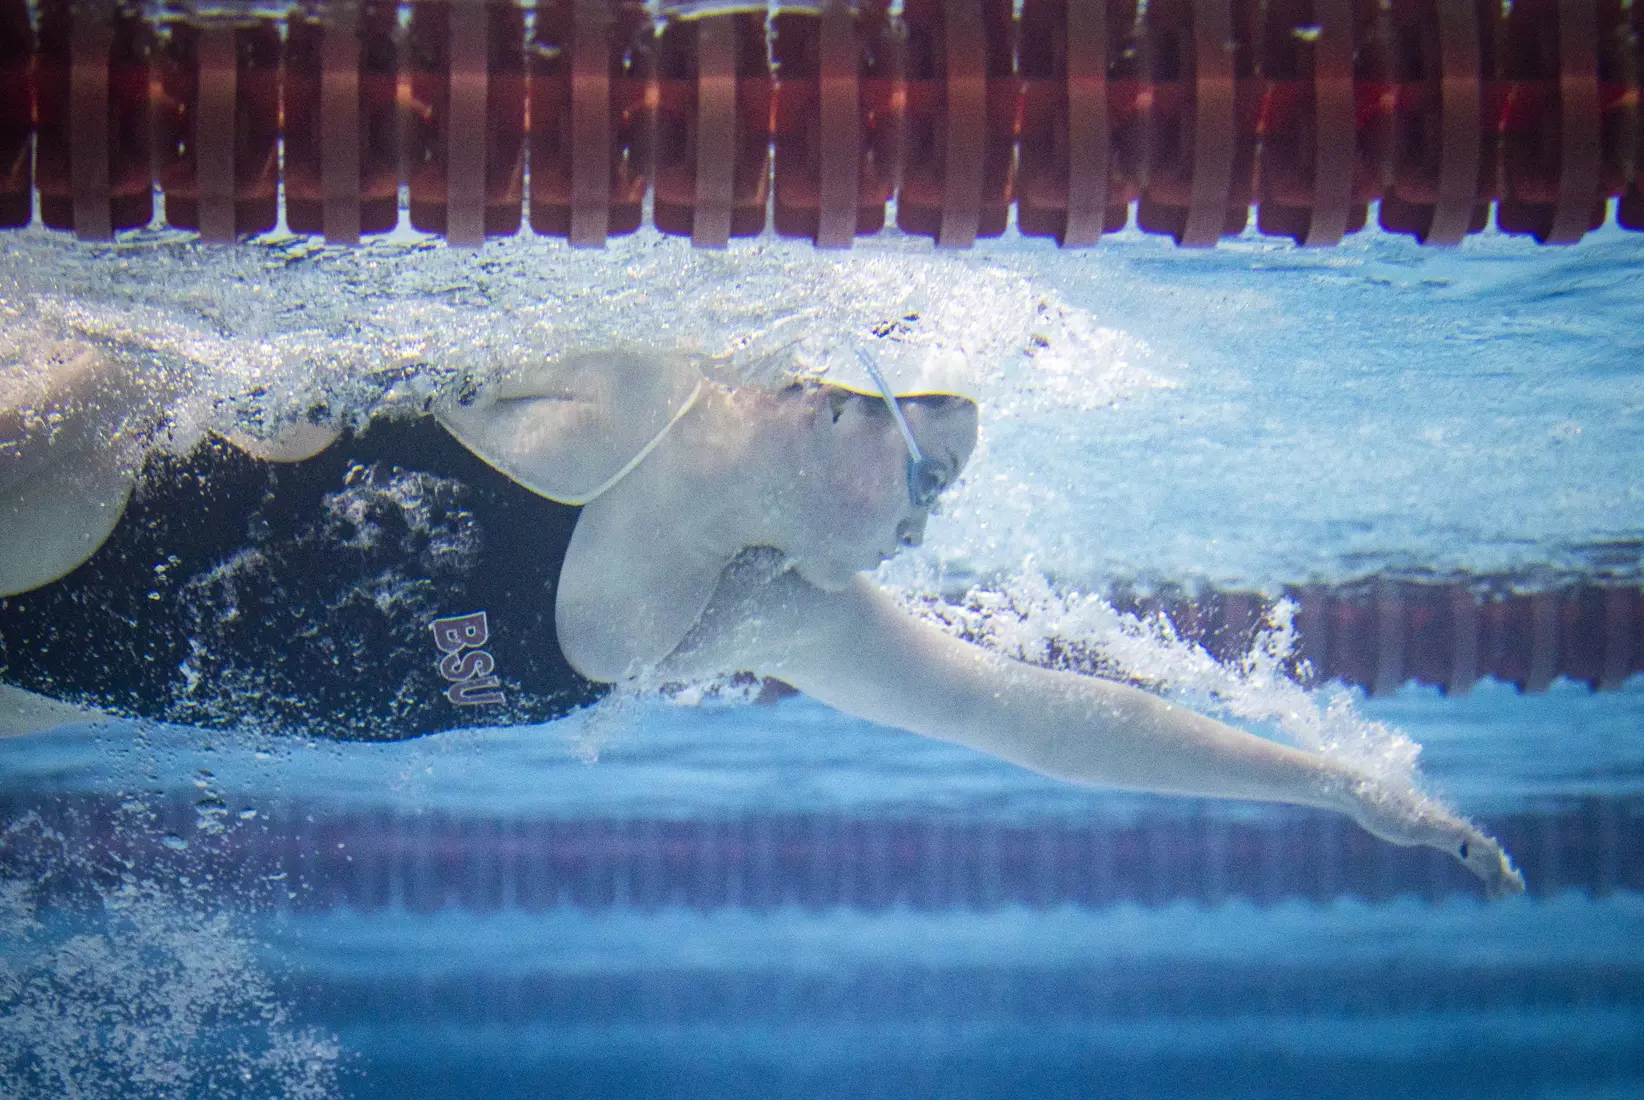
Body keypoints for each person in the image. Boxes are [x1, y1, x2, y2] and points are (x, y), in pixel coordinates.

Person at [0, 341, 1524, 897]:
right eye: (927, 478)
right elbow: (304, 344)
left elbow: (1021, 710)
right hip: (91, 498)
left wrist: (1331, 784)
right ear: (825, 405)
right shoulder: (637, 402)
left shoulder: (752, 607)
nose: (929, 523)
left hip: (88, 668)